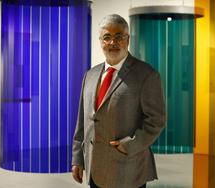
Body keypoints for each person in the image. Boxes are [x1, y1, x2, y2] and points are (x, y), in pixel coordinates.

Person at [71, 14, 166, 188]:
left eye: (119, 37)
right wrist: (77, 158)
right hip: (95, 168)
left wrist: (130, 145)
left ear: (127, 39)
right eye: (107, 37)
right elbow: (83, 121)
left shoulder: (146, 75)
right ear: (100, 41)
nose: (112, 42)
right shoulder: (90, 75)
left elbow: (157, 120)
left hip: (128, 169)